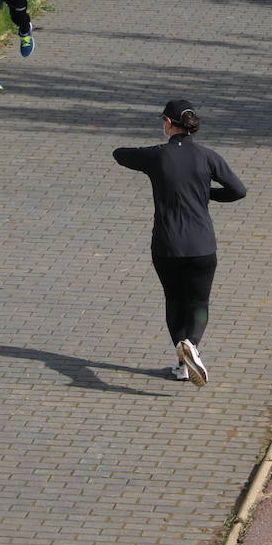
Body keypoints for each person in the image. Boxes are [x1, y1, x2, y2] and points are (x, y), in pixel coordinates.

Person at [113, 99, 247, 387]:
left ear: (168, 124)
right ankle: (192, 347)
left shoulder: (157, 156)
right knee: (198, 302)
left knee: (175, 301)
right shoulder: (208, 156)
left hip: (167, 247)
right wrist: (204, 193)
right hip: (201, 247)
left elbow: (119, 154)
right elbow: (238, 191)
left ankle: (184, 362)